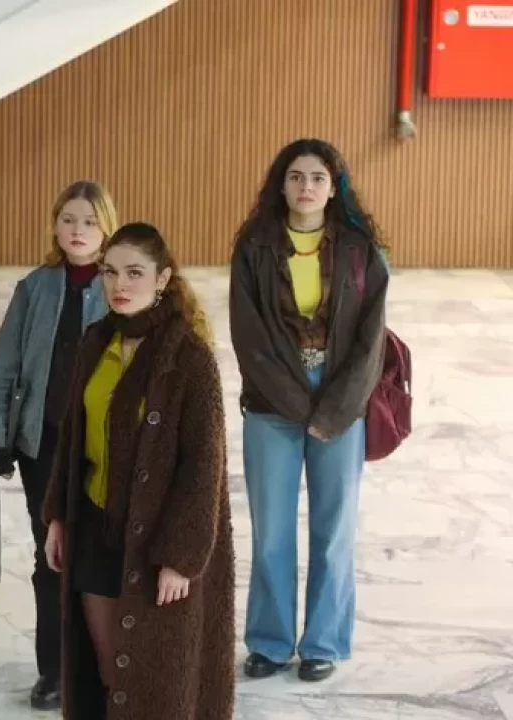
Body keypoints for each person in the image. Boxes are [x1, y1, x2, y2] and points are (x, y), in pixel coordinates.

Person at [41, 222, 236, 718]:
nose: (119, 285)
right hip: (94, 530)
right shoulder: (95, 341)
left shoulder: (189, 359)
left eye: (134, 273)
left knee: (155, 684)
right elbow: (72, 437)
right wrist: (59, 515)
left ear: (162, 278)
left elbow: (204, 465)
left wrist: (181, 556)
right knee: (108, 672)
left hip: (155, 543)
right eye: (110, 272)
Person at [230, 138, 389, 683]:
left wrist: (335, 409)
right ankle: (270, 643)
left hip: (341, 401)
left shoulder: (360, 249)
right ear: (281, 184)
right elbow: (249, 337)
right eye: (296, 176)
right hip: (272, 400)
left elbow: (372, 340)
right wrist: (301, 407)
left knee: (334, 528)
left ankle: (324, 642)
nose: (306, 187)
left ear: (334, 187)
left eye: (318, 178)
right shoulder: (254, 246)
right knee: (271, 531)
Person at [0, 180, 118, 710]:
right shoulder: (34, 288)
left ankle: (104, 667)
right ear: (55, 226)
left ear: (106, 227)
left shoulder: (120, 285)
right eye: (68, 220)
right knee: (52, 557)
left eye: (89, 221)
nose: (78, 230)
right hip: (45, 447)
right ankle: (55, 671)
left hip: (104, 449)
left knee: (100, 556)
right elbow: (4, 367)